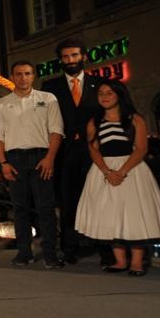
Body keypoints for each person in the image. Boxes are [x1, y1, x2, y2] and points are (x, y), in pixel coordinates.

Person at [76, 81, 160, 276]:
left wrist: (122, 172)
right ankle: (120, 260)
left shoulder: (135, 119)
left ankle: (137, 262)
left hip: (131, 169)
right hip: (104, 171)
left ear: (119, 95)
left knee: (134, 213)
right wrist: (107, 171)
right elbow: (93, 149)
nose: (104, 97)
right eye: (101, 93)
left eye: (109, 93)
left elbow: (141, 149)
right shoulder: (94, 121)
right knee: (110, 213)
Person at [0, 61, 65, 268]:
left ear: (33, 76)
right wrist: (3, 163)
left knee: (46, 208)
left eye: (27, 73)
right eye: (19, 74)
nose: (23, 78)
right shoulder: (1, 104)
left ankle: (50, 254)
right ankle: (24, 253)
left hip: (42, 157)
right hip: (14, 159)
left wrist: (50, 158)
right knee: (20, 208)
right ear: (12, 77)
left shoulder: (48, 99)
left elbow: (56, 131)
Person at [42, 38, 108, 265]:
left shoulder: (100, 84)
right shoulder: (50, 87)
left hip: (94, 151)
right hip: (64, 152)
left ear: (84, 57)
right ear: (60, 60)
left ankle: (106, 249)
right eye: (65, 57)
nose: (70, 60)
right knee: (68, 201)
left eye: (74, 55)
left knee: (100, 199)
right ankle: (69, 248)